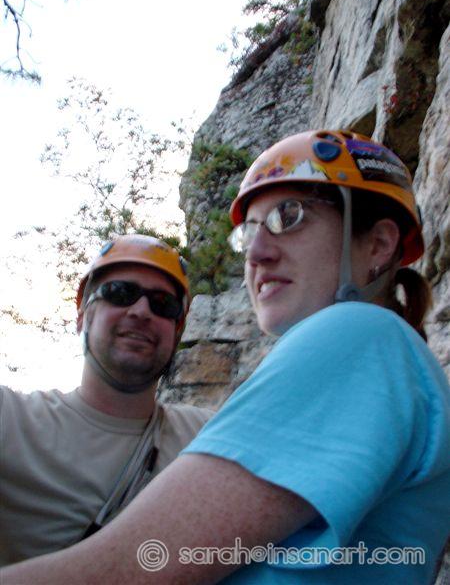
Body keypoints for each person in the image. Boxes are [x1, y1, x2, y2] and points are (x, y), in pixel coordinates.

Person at [2, 130, 449, 584]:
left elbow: (127, 570)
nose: (255, 254)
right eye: (249, 233)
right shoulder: (393, 363)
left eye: (288, 216)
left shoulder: (357, 336)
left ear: (379, 244)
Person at [0, 234, 213, 567]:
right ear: (82, 316)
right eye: (120, 293)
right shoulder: (13, 421)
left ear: (177, 331)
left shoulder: (210, 436)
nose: (141, 311)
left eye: (163, 304)